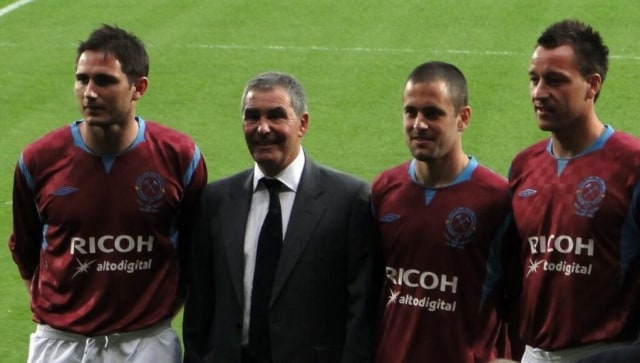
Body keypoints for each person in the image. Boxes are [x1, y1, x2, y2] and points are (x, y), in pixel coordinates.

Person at [8, 24, 208, 363]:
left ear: (138, 87)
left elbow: (195, 253)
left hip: (145, 344)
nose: (89, 92)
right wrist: (62, 317)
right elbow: (26, 250)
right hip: (60, 345)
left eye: (104, 80)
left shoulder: (180, 158)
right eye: (82, 79)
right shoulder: (38, 160)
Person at [182, 71, 381, 363]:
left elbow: (361, 312)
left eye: (276, 116)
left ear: (302, 124)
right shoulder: (215, 201)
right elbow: (199, 310)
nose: (262, 128)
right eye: (252, 117)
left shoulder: (349, 200)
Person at [509, 19, 640, 363]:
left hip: (607, 353)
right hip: (534, 354)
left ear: (592, 85)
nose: (539, 93)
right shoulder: (524, 166)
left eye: (555, 80)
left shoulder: (632, 165)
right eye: (534, 79)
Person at [372, 61, 519, 363]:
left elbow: (522, 299)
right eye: (410, 111)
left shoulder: (498, 199)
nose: (418, 124)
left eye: (432, 113)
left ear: (462, 118)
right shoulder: (384, 189)